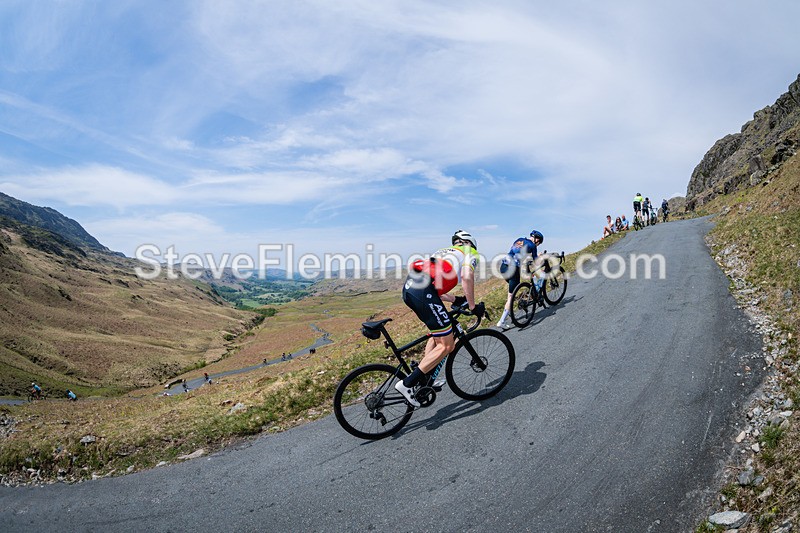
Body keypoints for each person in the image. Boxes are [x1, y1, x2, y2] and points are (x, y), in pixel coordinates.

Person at [394, 230, 484, 407]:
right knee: (447, 345)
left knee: (439, 335)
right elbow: (467, 276)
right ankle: (407, 384)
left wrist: (457, 299)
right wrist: (473, 306)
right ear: (470, 243)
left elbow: (436, 290)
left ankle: (425, 377)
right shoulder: (470, 252)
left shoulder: (443, 252)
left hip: (411, 290)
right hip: (423, 293)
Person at [496, 230, 542, 329]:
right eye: (539, 243)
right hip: (513, 269)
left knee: (512, 291)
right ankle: (501, 321)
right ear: (537, 240)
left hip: (503, 267)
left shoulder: (519, 240)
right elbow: (536, 261)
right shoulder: (533, 246)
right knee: (511, 296)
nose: (538, 245)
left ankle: (509, 310)